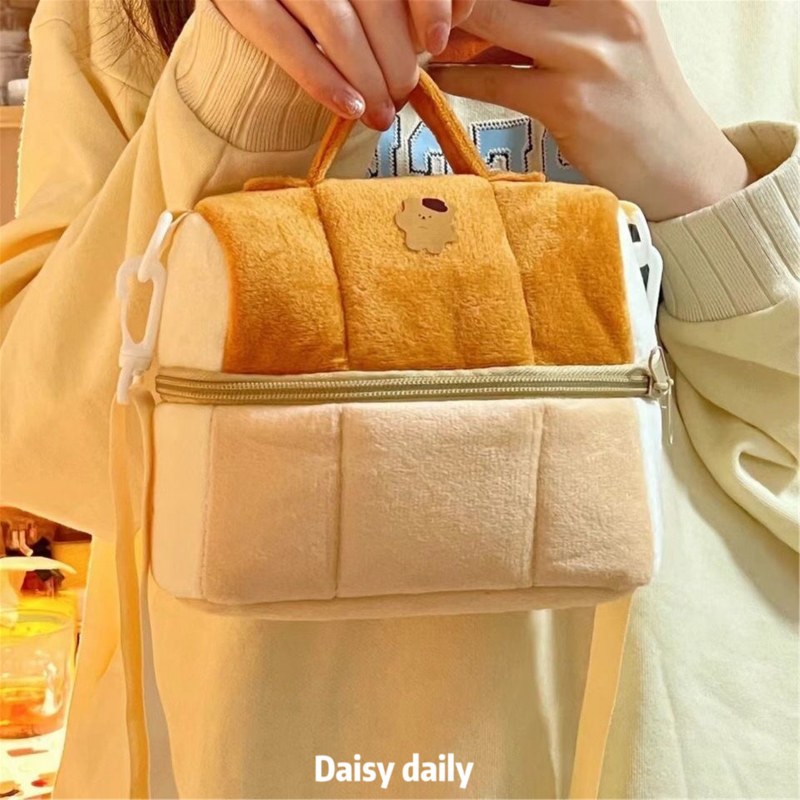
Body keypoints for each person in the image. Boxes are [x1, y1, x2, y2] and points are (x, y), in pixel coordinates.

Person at [0, 0, 796, 796]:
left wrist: (701, 182)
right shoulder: (116, 17)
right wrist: (241, 93)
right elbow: (40, 450)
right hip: (253, 761)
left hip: (685, 755)